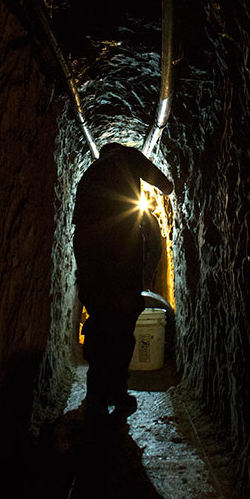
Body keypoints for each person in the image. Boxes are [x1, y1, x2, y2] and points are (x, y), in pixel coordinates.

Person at [73, 143, 174, 414]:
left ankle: (95, 394)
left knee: (99, 322)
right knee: (121, 326)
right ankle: (117, 392)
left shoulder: (88, 175)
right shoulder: (127, 157)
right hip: (121, 257)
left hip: (91, 262)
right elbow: (165, 185)